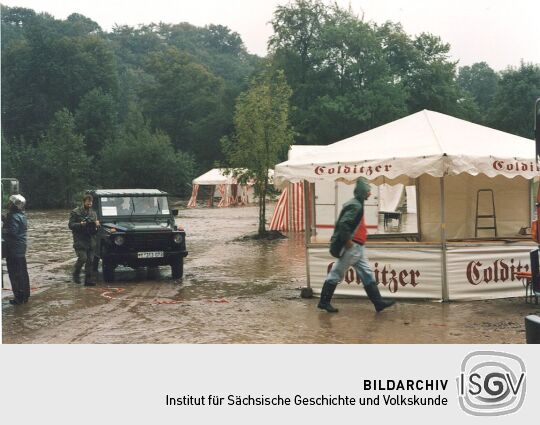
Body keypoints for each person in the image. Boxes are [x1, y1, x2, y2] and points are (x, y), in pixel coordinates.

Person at [318, 178, 396, 313]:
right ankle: (324, 302)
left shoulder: (356, 204)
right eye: (368, 191)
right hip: (352, 246)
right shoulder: (356, 205)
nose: (370, 194)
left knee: (366, 274)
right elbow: (344, 224)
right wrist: (348, 241)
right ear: (362, 192)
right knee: (337, 272)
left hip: (357, 247)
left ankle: (378, 303)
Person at [2, 194, 30, 305]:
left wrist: (3, 227)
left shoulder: (12, 216)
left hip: (13, 249)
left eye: (10, 202)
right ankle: (25, 296)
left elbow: (12, 232)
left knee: (14, 274)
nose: (8, 204)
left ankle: (18, 298)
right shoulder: (22, 215)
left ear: (13, 205)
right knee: (23, 272)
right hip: (21, 248)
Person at [69, 194, 100, 285]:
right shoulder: (76, 212)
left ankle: (88, 280)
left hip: (90, 240)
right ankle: (76, 273)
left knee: (90, 260)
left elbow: (96, 230)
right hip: (80, 240)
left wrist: (97, 226)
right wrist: (80, 224)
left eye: (91, 202)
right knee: (83, 258)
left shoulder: (93, 213)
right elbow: (70, 225)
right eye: (88, 201)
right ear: (84, 202)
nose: (89, 203)